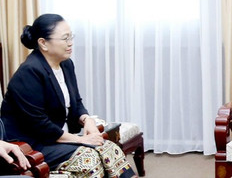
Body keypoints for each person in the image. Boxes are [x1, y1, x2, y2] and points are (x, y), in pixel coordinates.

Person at [0, 14, 136, 178]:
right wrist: (80, 140)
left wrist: (87, 120)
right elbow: (39, 125)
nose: (70, 43)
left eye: (71, 37)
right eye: (65, 38)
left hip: (55, 137)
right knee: (88, 159)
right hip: (33, 144)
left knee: (109, 148)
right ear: (43, 43)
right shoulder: (29, 72)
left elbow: (76, 102)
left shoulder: (65, 64)